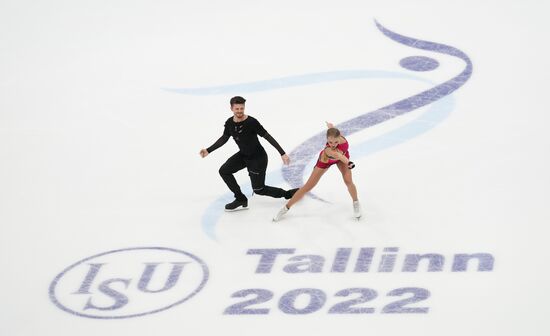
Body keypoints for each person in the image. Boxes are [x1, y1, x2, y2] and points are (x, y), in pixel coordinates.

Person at [200, 96, 298, 211]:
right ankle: (240, 198)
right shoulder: (229, 123)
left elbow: (268, 137)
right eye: (237, 109)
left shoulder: (251, 122)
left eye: (242, 108)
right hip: (243, 155)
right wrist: (208, 150)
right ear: (231, 108)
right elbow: (224, 138)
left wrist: (282, 153)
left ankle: (289, 194)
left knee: (259, 189)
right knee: (224, 171)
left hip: (258, 158)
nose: (240, 111)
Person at [272, 122, 362, 221]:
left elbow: (335, 135)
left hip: (342, 159)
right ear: (327, 139)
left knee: (348, 181)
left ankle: (356, 202)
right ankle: (285, 208)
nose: (333, 145)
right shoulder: (329, 150)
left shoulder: (342, 139)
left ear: (339, 137)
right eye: (330, 142)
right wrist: (349, 162)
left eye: (335, 142)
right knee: (307, 187)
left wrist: (331, 127)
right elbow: (339, 156)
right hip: (325, 161)